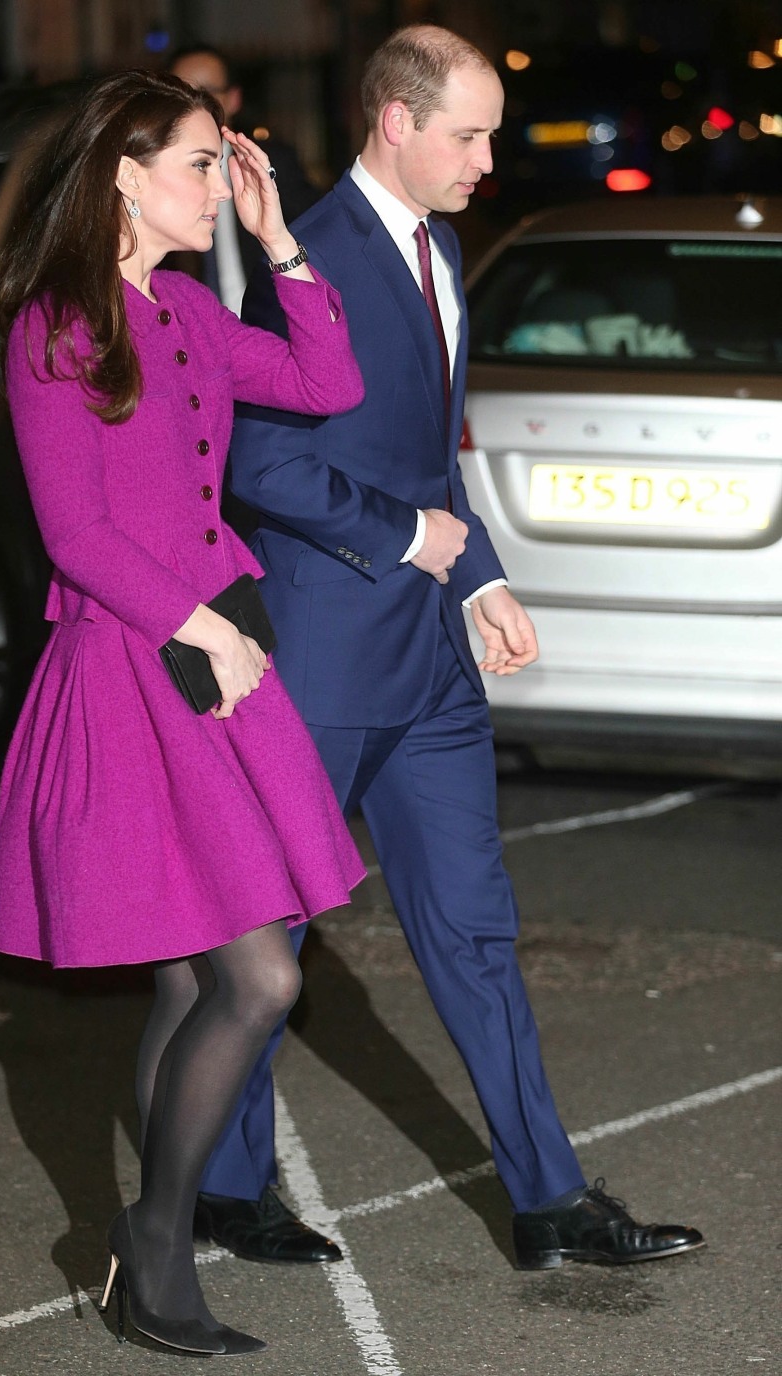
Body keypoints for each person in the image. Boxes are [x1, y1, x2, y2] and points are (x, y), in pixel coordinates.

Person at [196, 25, 706, 1273]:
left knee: (475, 929)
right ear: (395, 123)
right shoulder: (298, 256)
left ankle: (548, 1199)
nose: (488, 157)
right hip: (318, 653)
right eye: (467, 135)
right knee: (274, 939)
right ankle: (223, 1183)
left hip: (428, 660)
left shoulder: (444, 247)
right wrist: (406, 539)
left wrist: (477, 574)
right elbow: (260, 464)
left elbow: (431, 448)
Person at [0, 69, 366, 1355]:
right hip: (138, 664)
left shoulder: (193, 308)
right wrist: (200, 625)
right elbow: (75, 530)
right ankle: (155, 1236)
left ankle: (150, 1244)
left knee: (190, 977)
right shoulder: (57, 323)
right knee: (255, 975)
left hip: (214, 660)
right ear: (122, 178)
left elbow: (327, 384)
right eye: (202, 165)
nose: (217, 181)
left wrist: (278, 240)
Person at [164, 43, 320, 314]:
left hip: (267, 322)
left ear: (233, 99)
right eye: (178, 94)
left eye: (204, 93)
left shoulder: (267, 164)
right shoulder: (158, 176)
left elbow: (315, 234)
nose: (191, 105)